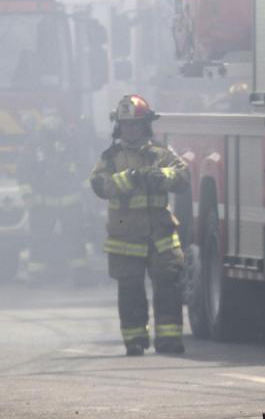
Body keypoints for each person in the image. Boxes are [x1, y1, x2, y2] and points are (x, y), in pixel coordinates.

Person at [90, 95, 189, 356]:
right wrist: (129, 179)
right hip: (125, 235)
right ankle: (134, 341)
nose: (130, 129)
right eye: (125, 125)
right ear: (118, 127)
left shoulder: (161, 154)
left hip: (160, 235)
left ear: (145, 125)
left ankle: (169, 340)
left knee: (168, 286)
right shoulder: (110, 158)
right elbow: (99, 185)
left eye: (134, 124)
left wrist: (163, 176)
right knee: (130, 289)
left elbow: (183, 176)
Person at [17, 116, 90, 286]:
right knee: (40, 239)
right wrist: (28, 194)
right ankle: (37, 275)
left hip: (65, 201)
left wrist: (86, 193)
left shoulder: (70, 144)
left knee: (73, 238)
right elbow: (24, 170)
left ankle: (79, 274)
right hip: (44, 202)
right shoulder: (35, 145)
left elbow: (84, 167)